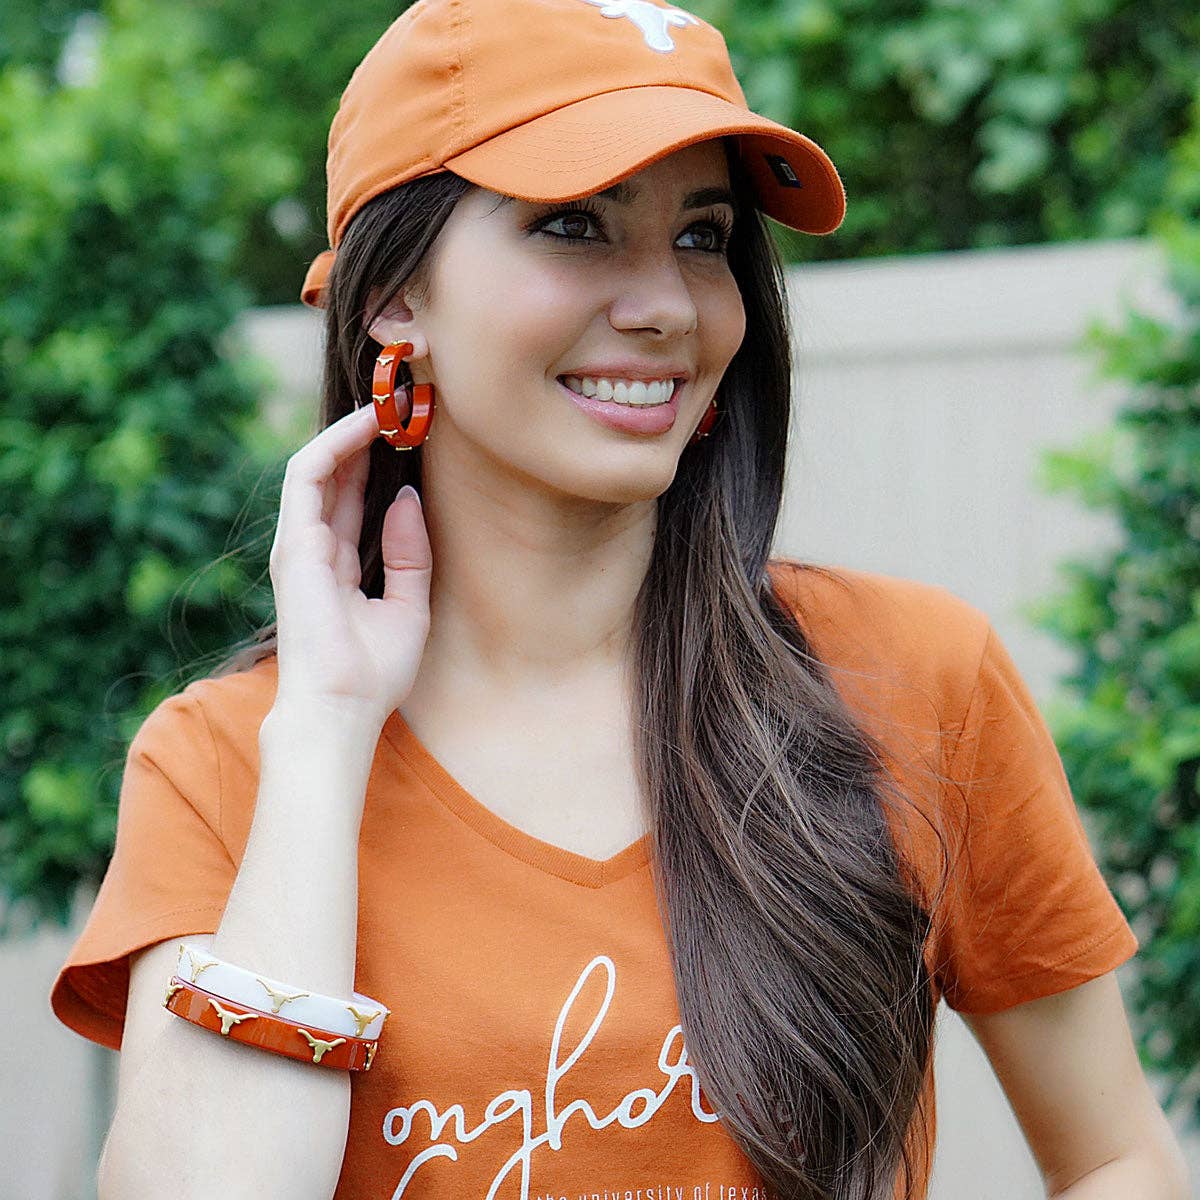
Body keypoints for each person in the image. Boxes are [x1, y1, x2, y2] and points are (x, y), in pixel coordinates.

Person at [49, 0, 1188, 1197]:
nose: (665, 304)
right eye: (575, 225)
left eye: (704, 237)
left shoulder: (914, 677)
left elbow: (1118, 1155)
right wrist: (328, 730)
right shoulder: (227, 768)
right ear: (396, 300)